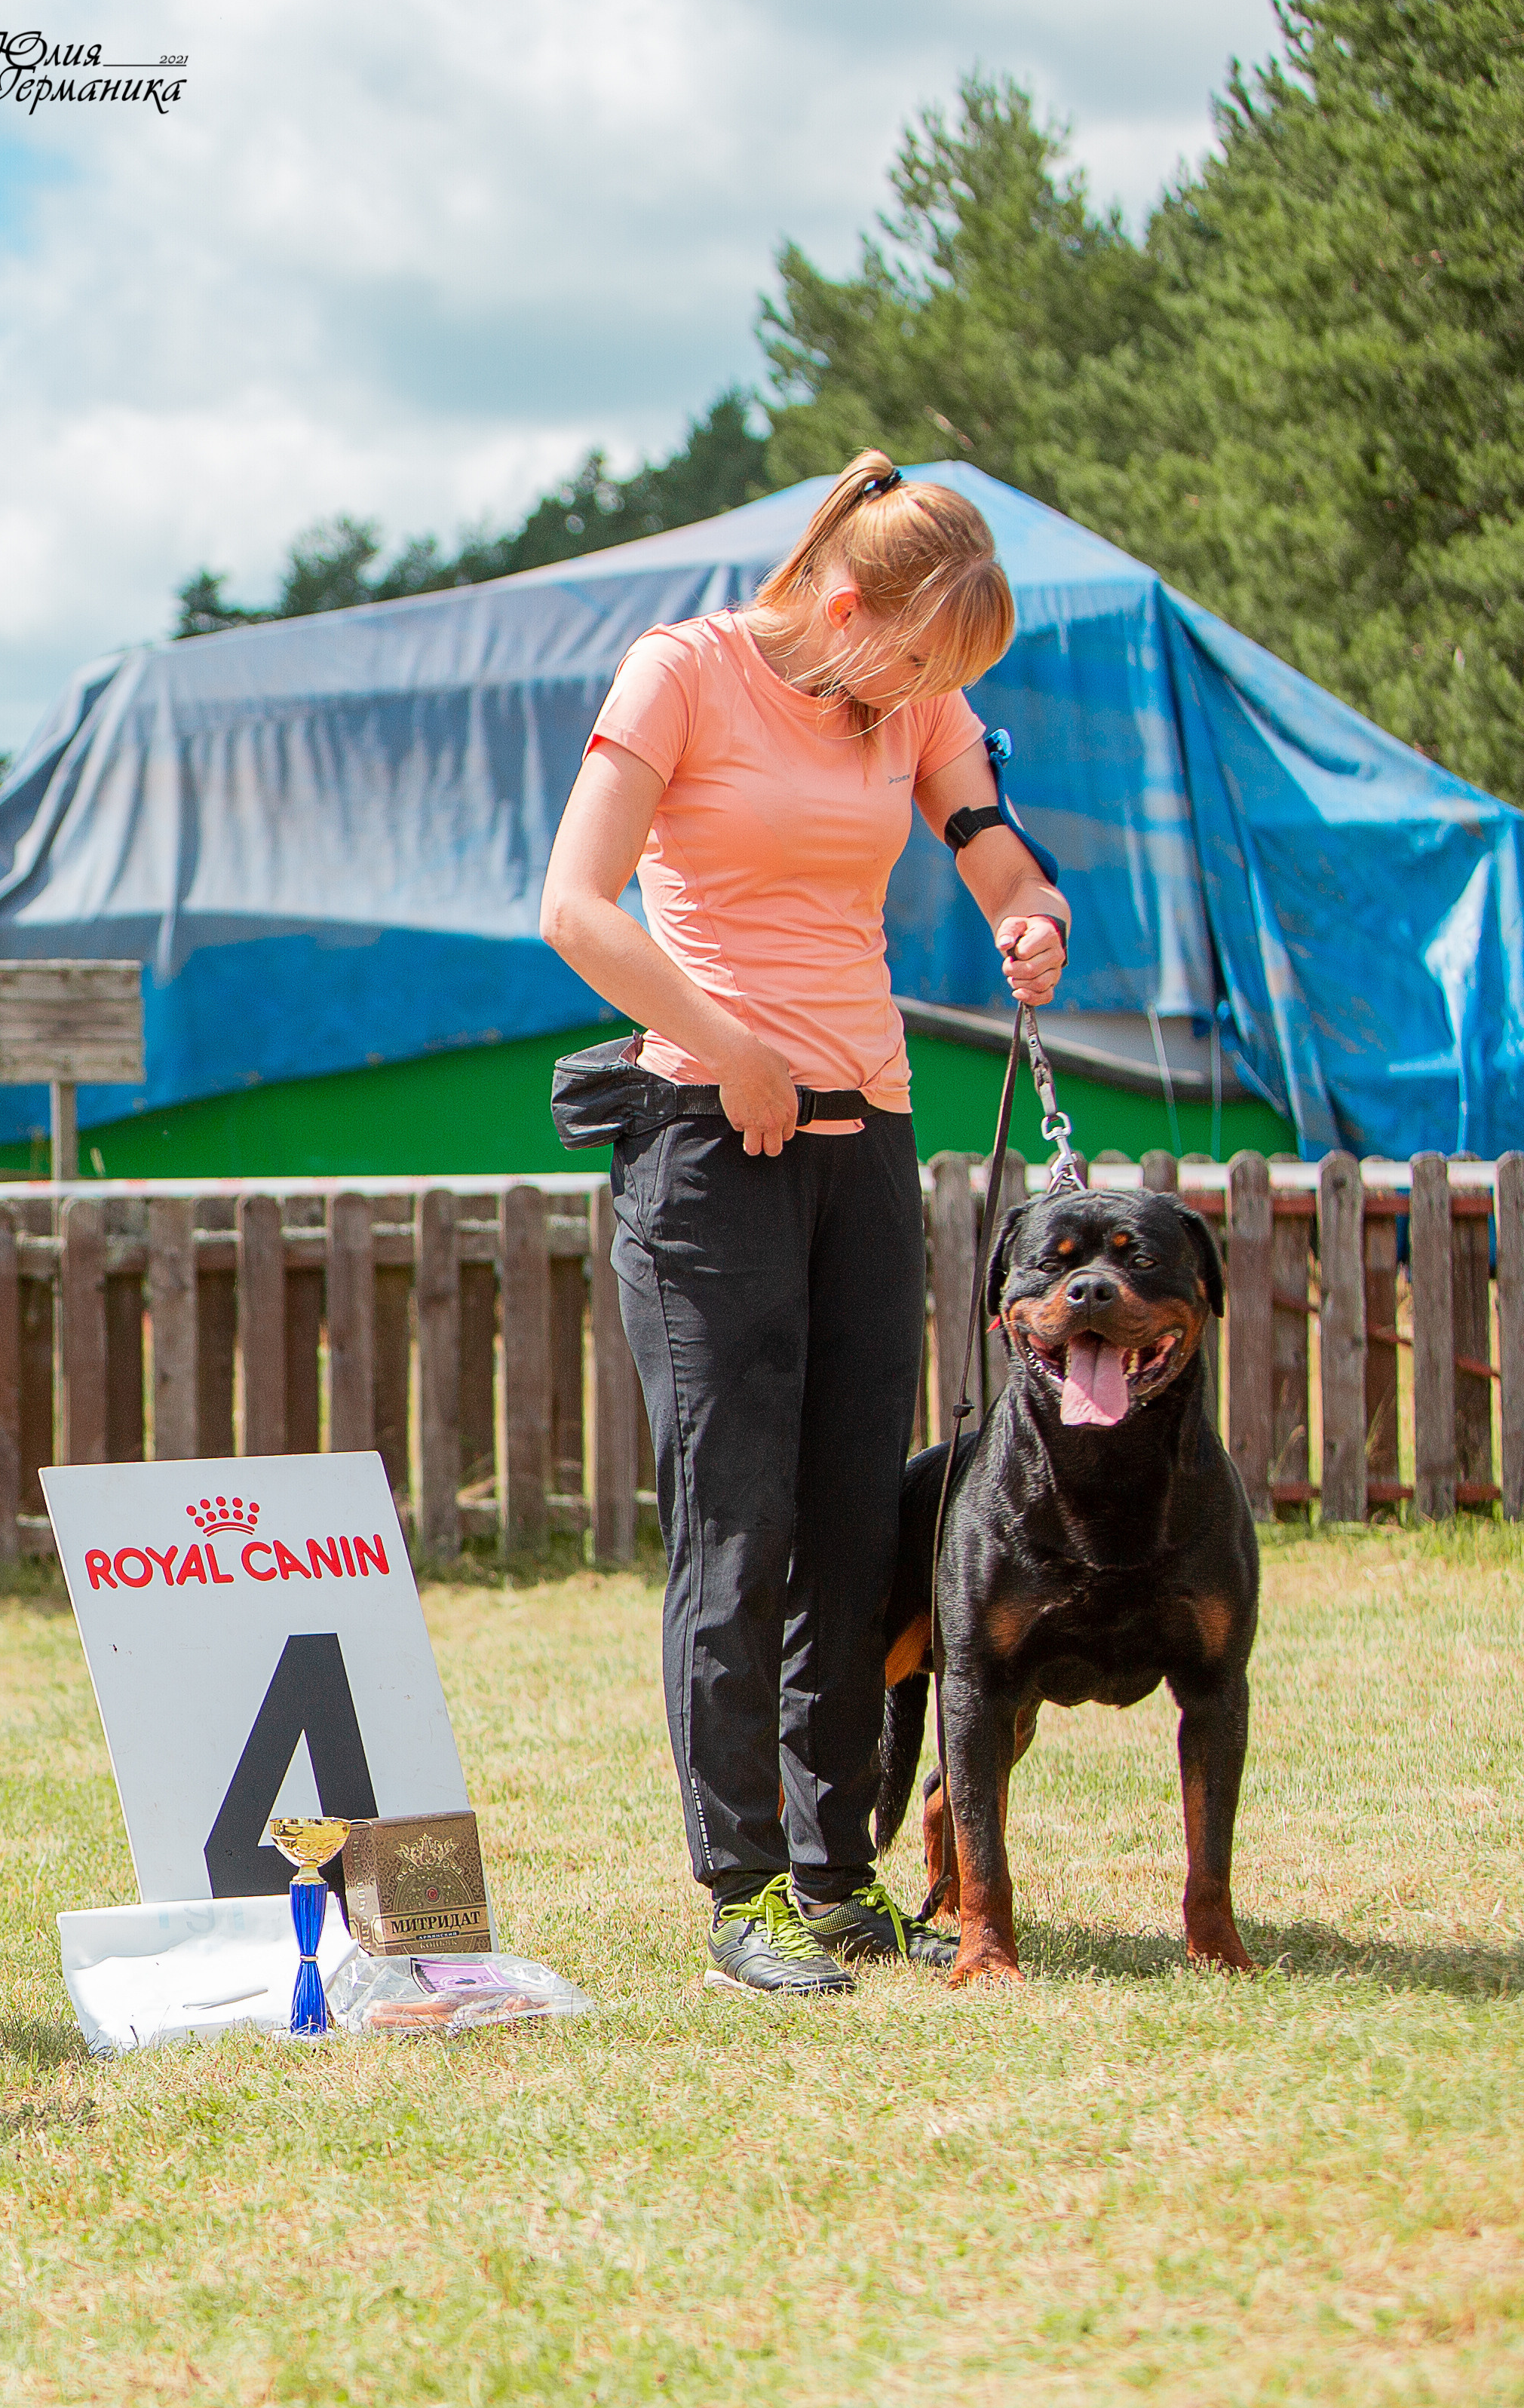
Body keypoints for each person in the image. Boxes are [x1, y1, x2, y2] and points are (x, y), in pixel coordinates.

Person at [540, 450, 1069, 1996]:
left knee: (851, 1517)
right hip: (709, 1139)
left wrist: (1024, 911)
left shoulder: (912, 699)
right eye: (909, 660)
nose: (913, 699)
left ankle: (838, 1876)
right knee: (737, 1517)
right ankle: (742, 1887)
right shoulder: (682, 675)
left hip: (866, 1136)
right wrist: (730, 1046)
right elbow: (574, 906)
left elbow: (985, 839)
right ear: (843, 603)